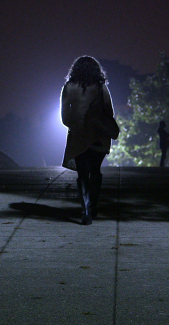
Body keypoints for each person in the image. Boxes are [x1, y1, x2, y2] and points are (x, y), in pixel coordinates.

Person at [61, 56, 117, 225]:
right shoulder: (101, 87)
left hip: (78, 136)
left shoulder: (68, 87)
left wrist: (76, 124)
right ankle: (93, 205)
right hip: (98, 135)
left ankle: (85, 210)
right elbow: (109, 112)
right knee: (96, 172)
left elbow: (64, 117)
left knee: (83, 175)